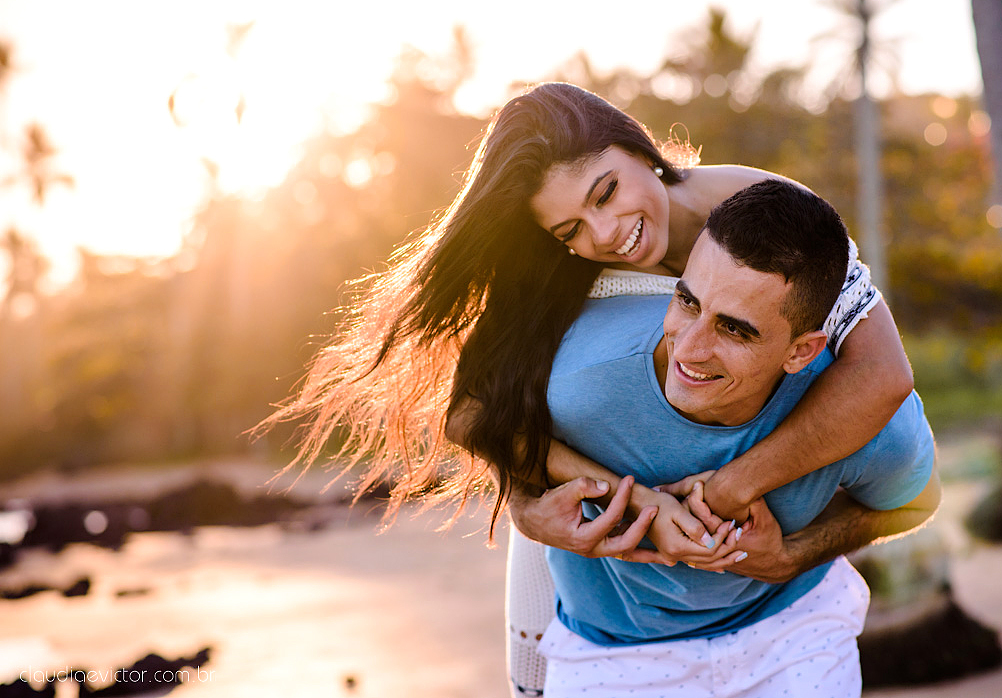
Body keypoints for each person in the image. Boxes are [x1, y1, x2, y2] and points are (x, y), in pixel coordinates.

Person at [261, 83, 914, 696]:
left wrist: (728, 489)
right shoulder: (560, 271)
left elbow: (881, 376)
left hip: (772, 612)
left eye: (605, 193)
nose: (603, 236)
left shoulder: (769, 217)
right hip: (585, 579)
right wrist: (541, 501)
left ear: (637, 147)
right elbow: (472, 412)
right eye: (569, 229)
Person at [534, 180, 939, 696]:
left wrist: (794, 555)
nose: (689, 350)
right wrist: (529, 504)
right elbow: (484, 426)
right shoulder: (580, 378)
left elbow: (918, 502)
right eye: (687, 301)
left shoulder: (868, 420)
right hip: (613, 652)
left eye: (734, 330)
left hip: (796, 631)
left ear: (802, 351)